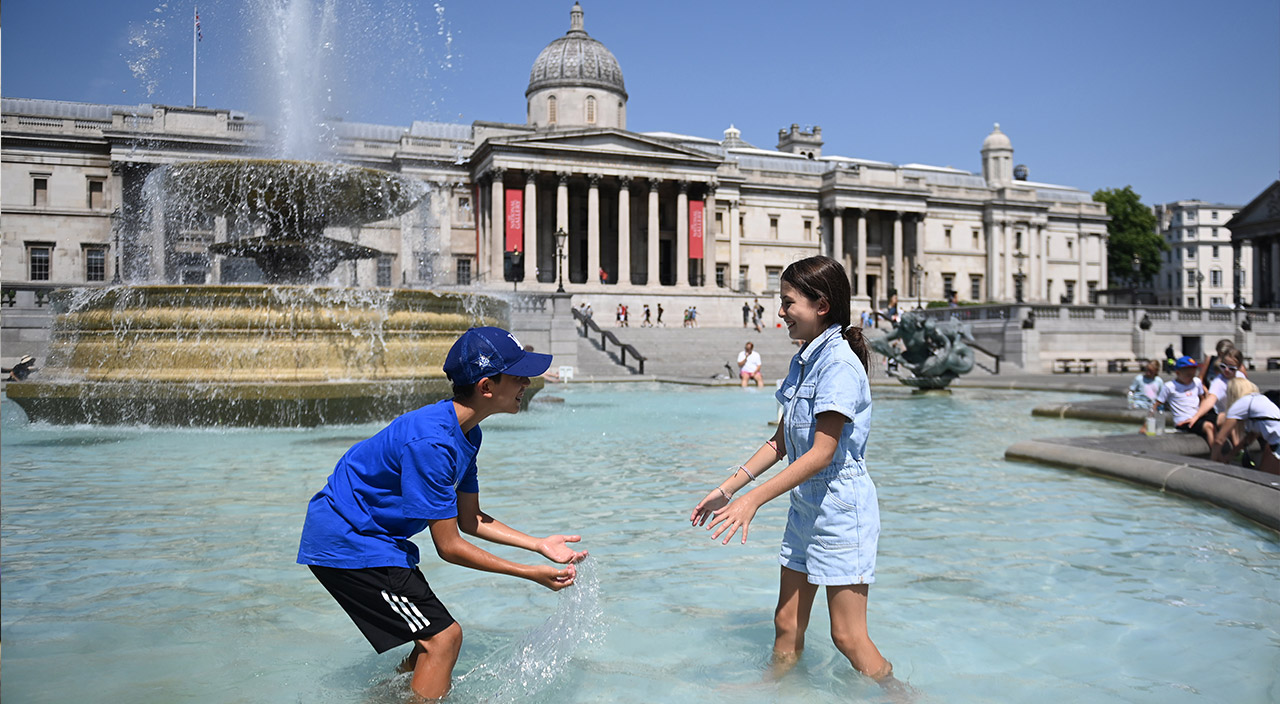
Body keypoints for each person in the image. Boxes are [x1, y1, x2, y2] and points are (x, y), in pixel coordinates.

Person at [297, 327, 587, 700]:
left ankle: (385, 697)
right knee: (443, 638)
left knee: (429, 642)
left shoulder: (467, 433)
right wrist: (529, 573)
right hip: (349, 540)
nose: (527, 383)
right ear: (486, 386)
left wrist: (538, 544)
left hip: (373, 538)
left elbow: (471, 519)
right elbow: (449, 547)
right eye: (518, 376)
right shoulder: (432, 442)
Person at [690, 255, 905, 693]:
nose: (781, 311)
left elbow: (822, 453)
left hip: (841, 510)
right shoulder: (804, 361)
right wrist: (727, 489)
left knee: (847, 637)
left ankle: (902, 696)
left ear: (821, 305)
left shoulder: (839, 365)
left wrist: (752, 501)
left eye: (788, 302)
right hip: (806, 506)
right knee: (786, 622)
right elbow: (781, 442)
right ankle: (776, 691)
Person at [1214, 377, 1280, 474]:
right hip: (1276, 444)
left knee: (1265, 479)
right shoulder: (1261, 400)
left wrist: (1212, 465)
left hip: (1277, 444)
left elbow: (1219, 439)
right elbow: (1250, 438)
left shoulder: (1241, 404)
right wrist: (1230, 455)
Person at [1155, 356, 1216, 447]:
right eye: (1188, 375)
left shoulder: (1197, 382)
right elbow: (1156, 405)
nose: (1191, 378)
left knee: (1221, 419)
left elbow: (1202, 399)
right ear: (1178, 373)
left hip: (1197, 417)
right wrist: (1147, 425)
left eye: (1193, 375)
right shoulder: (1169, 386)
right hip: (1183, 421)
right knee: (1208, 426)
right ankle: (1215, 452)